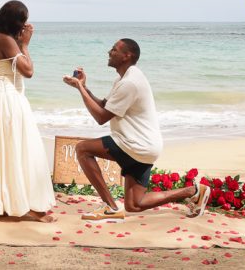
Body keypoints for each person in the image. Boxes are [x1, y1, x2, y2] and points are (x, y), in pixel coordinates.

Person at [63, 38, 209, 221]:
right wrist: (84, 87)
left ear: (127, 56)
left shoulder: (129, 83)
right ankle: (193, 191)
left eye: (114, 49)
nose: (109, 52)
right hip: (144, 146)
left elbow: (101, 117)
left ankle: (110, 207)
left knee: (82, 149)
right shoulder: (124, 79)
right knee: (134, 205)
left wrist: (79, 87)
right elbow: (104, 105)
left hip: (135, 144)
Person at [0, 0, 56, 222]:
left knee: (9, 150)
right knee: (15, 150)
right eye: (23, 20)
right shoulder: (6, 40)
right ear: (15, 21)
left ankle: (6, 201)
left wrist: (21, 43)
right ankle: (22, 206)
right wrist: (26, 44)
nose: (26, 24)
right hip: (6, 99)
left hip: (5, 98)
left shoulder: (2, 39)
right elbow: (28, 71)